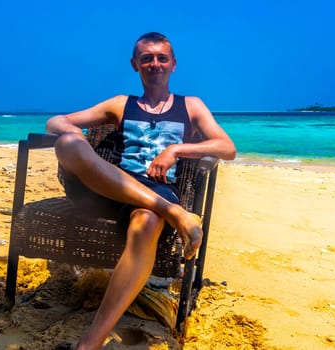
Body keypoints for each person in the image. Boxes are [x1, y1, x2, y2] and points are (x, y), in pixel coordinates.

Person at [45, 32, 236, 350]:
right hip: (111, 189)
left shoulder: (190, 106)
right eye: (147, 58)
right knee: (66, 143)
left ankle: (90, 342)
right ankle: (174, 213)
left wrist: (176, 149)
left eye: (162, 58)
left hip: (155, 194)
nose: (155, 64)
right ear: (135, 65)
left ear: (173, 64)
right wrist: (73, 132)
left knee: (147, 221)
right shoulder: (121, 104)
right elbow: (56, 122)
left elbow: (227, 148)